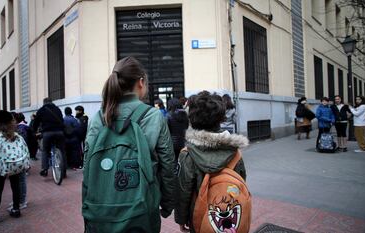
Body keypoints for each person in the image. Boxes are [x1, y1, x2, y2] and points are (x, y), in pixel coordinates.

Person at [82, 57, 177, 232]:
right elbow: (167, 165)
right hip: (142, 210)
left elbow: (88, 165)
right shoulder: (153, 116)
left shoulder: (99, 117)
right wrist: (168, 203)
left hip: (100, 211)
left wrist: (87, 203)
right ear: (141, 82)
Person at [174, 91, 249, 233]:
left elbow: (183, 191)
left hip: (199, 217)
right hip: (228, 217)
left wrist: (182, 219)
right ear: (220, 119)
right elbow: (241, 182)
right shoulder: (234, 153)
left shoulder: (187, 154)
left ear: (193, 119)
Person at [0, 110, 23, 225]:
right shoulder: (16, 135)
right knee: (15, 186)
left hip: (0, 166)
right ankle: (16, 210)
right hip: (14, 164)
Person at [32, 97, 65, 177]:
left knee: (45, 150)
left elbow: (36, 122)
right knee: (62, 151)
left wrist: (34, 131)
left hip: (47, 133)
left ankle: (45, 169)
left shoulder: (41, 110)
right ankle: (63, 172)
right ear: (52, 102)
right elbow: (62, 120)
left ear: (44, 103)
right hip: (59, 132)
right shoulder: (57, 109)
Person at [11, 113, 30, 210]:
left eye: (12, 120)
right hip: (17, 159)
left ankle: (22, 201)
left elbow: (23, 145)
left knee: (21, 180)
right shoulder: (16, 129)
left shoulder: (20, 129)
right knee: (18, 181)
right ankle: (18, 200)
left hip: (19, 159)